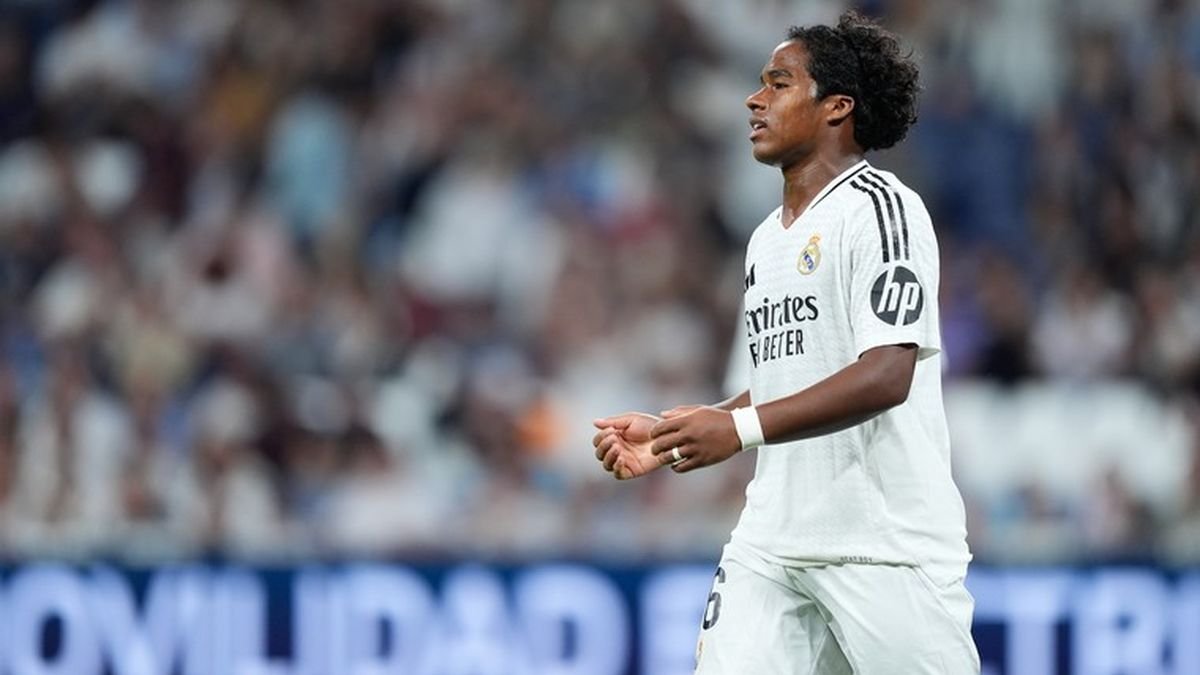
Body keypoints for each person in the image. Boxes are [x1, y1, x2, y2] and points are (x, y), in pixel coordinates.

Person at [592, 11, 979, 674]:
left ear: (837, 107)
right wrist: (672, 435)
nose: (754, 99)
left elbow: (887, 373)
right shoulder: (766, 240)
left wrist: (737, 431)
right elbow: (786, 379)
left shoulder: (882, 210)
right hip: (771, 542)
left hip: (883, 546)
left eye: (778, 83)